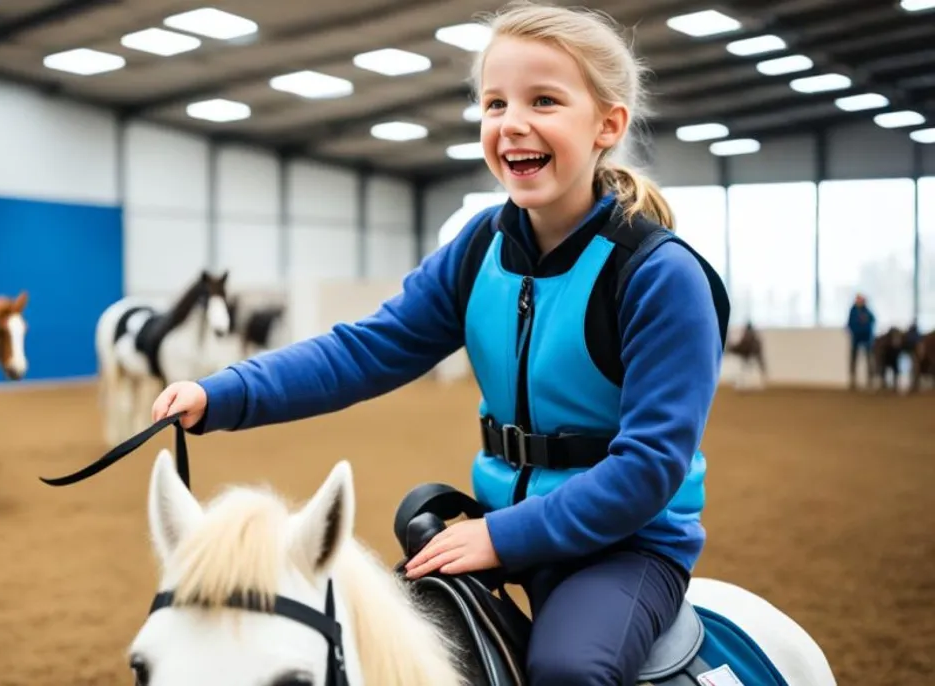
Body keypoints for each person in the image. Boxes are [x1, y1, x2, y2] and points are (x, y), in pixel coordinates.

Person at [150, 3, 728, 684]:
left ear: (609, 124)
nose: (512, 122)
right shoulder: (478, 247)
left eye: (544, 100)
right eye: (494, 103)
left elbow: (648, 469)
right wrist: (223, 394)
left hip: (623, 546)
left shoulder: (661, 277)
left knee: (568, 673)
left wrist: (497, 537)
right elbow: (363, 350)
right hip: (499, 523)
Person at [846, 293, 875, 390]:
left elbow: (873, 321)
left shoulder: (867, 311)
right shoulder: (853, 311)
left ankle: (870, 380)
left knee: (869, 359)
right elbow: (849, 324)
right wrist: (856, 331)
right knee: (853, 360)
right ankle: (853, 380)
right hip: (856, 339)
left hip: (867, 339)